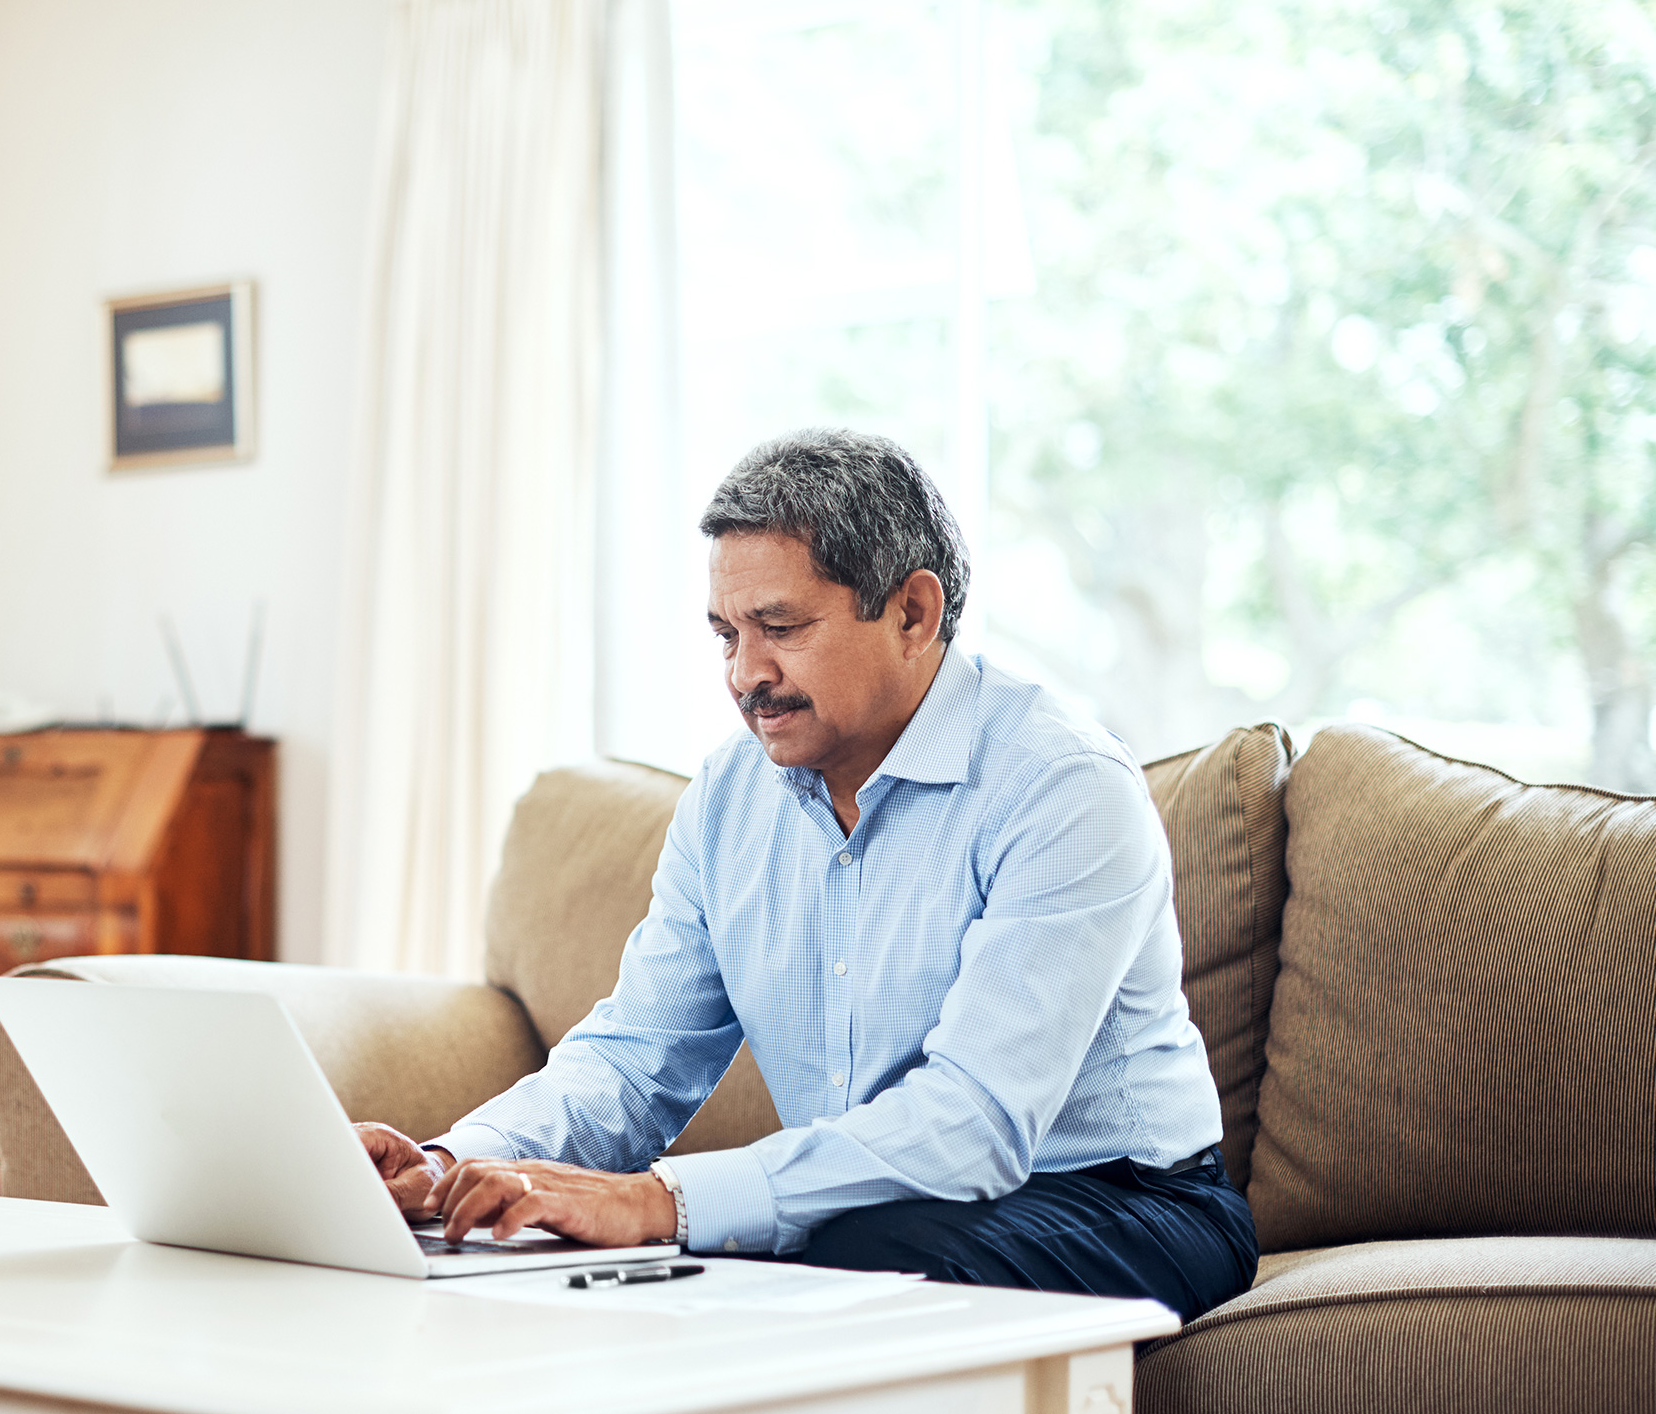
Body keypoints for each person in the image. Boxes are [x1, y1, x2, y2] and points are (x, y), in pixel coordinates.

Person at [357, 428, 1257, 1321]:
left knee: (821, 1256)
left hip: (1129, 1197)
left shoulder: (1059, 786)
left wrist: (662, 1200)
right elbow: (635, 1060)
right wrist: (452, 1167)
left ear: (913, 612)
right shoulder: (726, 797)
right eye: (725, 635)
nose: (748, 673)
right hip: (889, 1204)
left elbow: (973, 1124)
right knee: (668, 1252)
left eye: (781, 628)